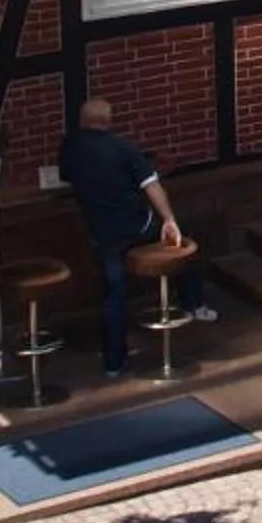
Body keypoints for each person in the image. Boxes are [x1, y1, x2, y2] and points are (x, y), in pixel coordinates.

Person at [56, 96, 214, 375]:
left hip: (102, 235)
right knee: (186, 239)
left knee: (113, 295)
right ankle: (192, 303)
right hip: (137, 228)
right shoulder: (124, 149)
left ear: (82, 121)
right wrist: (169, 220)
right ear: (108, 121)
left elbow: (68, 177)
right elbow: (152, 187)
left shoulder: (70, 149)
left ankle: (114, 363)